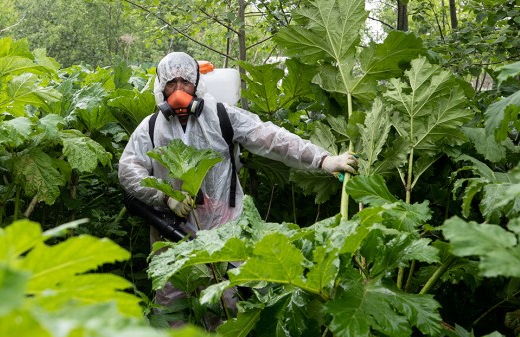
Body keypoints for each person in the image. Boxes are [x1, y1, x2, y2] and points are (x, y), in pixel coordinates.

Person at [118, 52, 357, 323]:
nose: (178, 90)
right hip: (171, 231)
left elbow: (271, 138)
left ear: (197, 83)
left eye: (185, 82)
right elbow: (128, 169)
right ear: (160, 88)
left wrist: (323, 159)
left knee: (226, 303)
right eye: (171, 83)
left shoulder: (221, 116)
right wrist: (165, 198)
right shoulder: (150, 128)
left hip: (224, 230)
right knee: (171, 306)